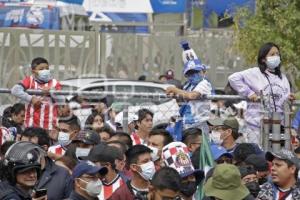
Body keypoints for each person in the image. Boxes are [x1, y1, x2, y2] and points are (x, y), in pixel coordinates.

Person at [228, 42, 294, 144]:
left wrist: (288, 99)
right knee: (259, 156)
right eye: (272, 54)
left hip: (276, 127)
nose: (276, 56)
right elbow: (233, 78)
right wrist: (249, 93)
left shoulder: (283, 78)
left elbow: (282, 101)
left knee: (273, 157)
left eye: (277, 54)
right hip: (256, 127)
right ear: (263, 58)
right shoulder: (254, 73)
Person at [165, 41, 212, 134]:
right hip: (185, 122)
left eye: (196, 71)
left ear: (203, 71)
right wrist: (175, 96)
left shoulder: (204, 83)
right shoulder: (188, 85)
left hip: (199, 124)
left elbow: (192, 96)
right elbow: (183, 101)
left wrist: (174, 89)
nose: (193, 75)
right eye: (190, 73)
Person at [20, 127, 73, 200]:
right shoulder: (14, 172)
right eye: (21, 146)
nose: (23, 150)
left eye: (29, 146)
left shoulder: (63, 175)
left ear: (44, 148)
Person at [11, 57, 62, 130]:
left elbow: (61, 99)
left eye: (47, 68)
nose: (45, 71)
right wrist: (31, 98)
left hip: (50, 126)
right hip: (31, 125)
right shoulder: (29, 80)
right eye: (41, 69)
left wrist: (51, 91)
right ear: (33, 71)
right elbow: (15, 90)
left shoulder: (54, 82)